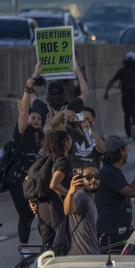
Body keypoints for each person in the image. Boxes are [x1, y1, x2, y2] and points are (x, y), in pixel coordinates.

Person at [4, 72, 44, 247]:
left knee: (41, 214)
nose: (36, 119)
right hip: (17, 180)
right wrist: (28, 88)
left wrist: (35, 80)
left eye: (39, 118)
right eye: (33, 117)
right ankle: (24, 246)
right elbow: (24, 109)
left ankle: (48, 246)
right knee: (25, 215)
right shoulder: (22, 132)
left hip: (33, 181)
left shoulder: (43, 137)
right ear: (27, 120)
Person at [96, 136, 135, 248]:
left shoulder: (114, 171)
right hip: (112, 232)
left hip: (120, 230)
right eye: (126, 150)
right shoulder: (108, 172)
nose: (127, 153)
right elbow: (132, 192)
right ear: (121, 152)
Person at [31, 131, 73, 248]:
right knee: (62, 244)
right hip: (54, 207)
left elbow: (30, 179)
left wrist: (32, 201)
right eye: (70, 139)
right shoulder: (62, 161)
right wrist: (70, 194)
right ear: (65, 143)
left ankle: (38, 266)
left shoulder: (45, 159)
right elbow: (54, 184)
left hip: (42, 207)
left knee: (48, 245)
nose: (72, 142)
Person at [104, 51, 135, 139]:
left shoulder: (122, 71)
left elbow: (112, 81)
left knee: (127, 115)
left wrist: (106, 92)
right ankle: (134, 125)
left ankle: (128, 134)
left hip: (126, 96)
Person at [63, 165, 101, 255]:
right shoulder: (80, 195)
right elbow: (68, 210)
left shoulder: (91, 198)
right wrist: (70, 192)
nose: (93, 180)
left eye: (96, 177)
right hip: (81, 257)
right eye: (88, 177)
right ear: (81, 180)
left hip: (92, 254)